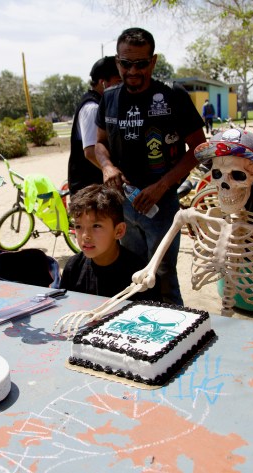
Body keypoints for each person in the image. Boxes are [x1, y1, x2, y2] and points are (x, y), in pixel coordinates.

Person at [95, 27, 206, 305]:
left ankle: (177, 336)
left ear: (153, 62)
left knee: (163, 275)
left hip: (162, 206)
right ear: (117, 62)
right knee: (133, 274)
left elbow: (199, 150)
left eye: (141, 64)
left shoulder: (172, 95)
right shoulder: (109, 98)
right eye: (125, 63)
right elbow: (99, 144)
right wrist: (107, 166)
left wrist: (162, 186)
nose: (132, 71)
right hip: (124, 204)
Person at [60, 184, 160, 301]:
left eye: (96, 226)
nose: (85, 236)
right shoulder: (73, 268)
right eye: (78, 226)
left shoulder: (140, 277)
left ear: (119, 231)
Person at [67, 56, 122, 195]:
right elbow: (91, 151)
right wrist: (114, 176)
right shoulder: (92, 108)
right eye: (118, 81)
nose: (122, 86)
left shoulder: (102, 104)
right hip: (90, 188)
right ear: (103, 83)